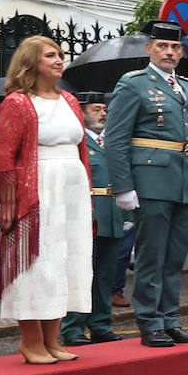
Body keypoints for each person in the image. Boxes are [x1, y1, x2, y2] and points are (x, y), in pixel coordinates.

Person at [104, 20, 188, 348]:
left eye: (175, 47)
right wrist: (123, 186)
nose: (169, 52)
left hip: (185, 181)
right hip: (151, 181)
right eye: (162, 46)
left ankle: (170, 318)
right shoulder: (133, 84)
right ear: (149, 49)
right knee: (152, 255)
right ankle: (150, 321)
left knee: (176, 256)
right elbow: (117, 139)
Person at [0, 36, 93, 364]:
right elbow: (4, 157)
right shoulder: (18, 102)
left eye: (61, 54)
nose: (58, 59)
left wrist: (89, 197)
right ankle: (30, 341)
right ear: (31, 62)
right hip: (38, 192)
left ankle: (53, 339)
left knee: (66, 262)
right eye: (50, 55)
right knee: (38, 266)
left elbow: (82, 151)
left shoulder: (71, 100)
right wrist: (8, 204)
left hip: (72, 189)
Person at [60, 92, 127, 346]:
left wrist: (127, 214)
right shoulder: (77, 142)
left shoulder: (113, 141)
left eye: (103, 109)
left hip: (112, 214)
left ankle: (100, 324)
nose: (102, 113)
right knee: (80, 273)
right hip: (85, 214)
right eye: (96, 109)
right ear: (82, 113)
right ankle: (73, 327)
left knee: (105, 275)